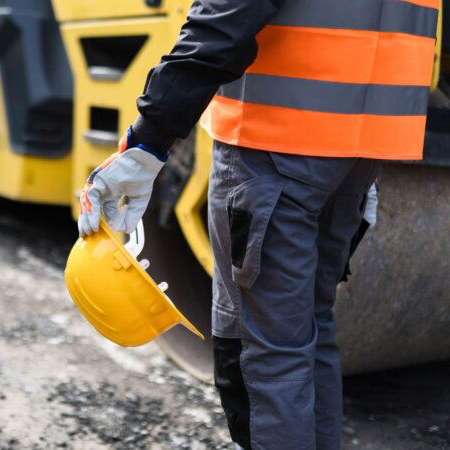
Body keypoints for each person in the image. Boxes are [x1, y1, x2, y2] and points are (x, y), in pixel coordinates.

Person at [77, 0, 439, 449]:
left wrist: (149, 137)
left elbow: (227, 13)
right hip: (365, 147)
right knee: (308, 329)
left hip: (277, 140)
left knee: (262, 353)